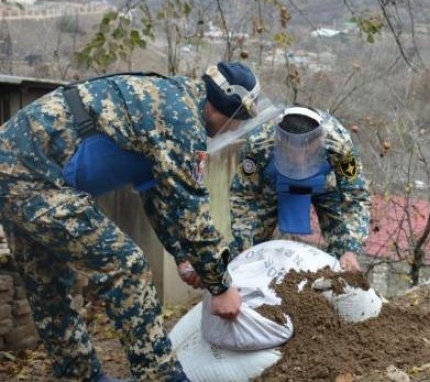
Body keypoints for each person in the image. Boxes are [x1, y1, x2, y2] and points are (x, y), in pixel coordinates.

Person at [0, 62, 259, 382]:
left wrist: (182, 257)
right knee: (126, 264)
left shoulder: (169, 100)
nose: (234, 129)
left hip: (11, 168)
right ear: (225, 104)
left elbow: (157, 195)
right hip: (32, 177)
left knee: (49, 285)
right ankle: (161, 376)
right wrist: (220, 285)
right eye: (238, 119)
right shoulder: (183, 119)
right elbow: (192, 211)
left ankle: (80, 377)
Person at [229, 105, 371, 271]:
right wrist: (245, 244)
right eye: (291, 153)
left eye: (308, 153)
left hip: (324, 185)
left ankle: (335, 277)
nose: (300, 161)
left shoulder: (339, 143)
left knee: (344, 251)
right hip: (273, 184)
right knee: (247, 251)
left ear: (320, 140)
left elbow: (356, 196)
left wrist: (351, 247)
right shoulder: (259, 142)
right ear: (279, 140)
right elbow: (243, 195)